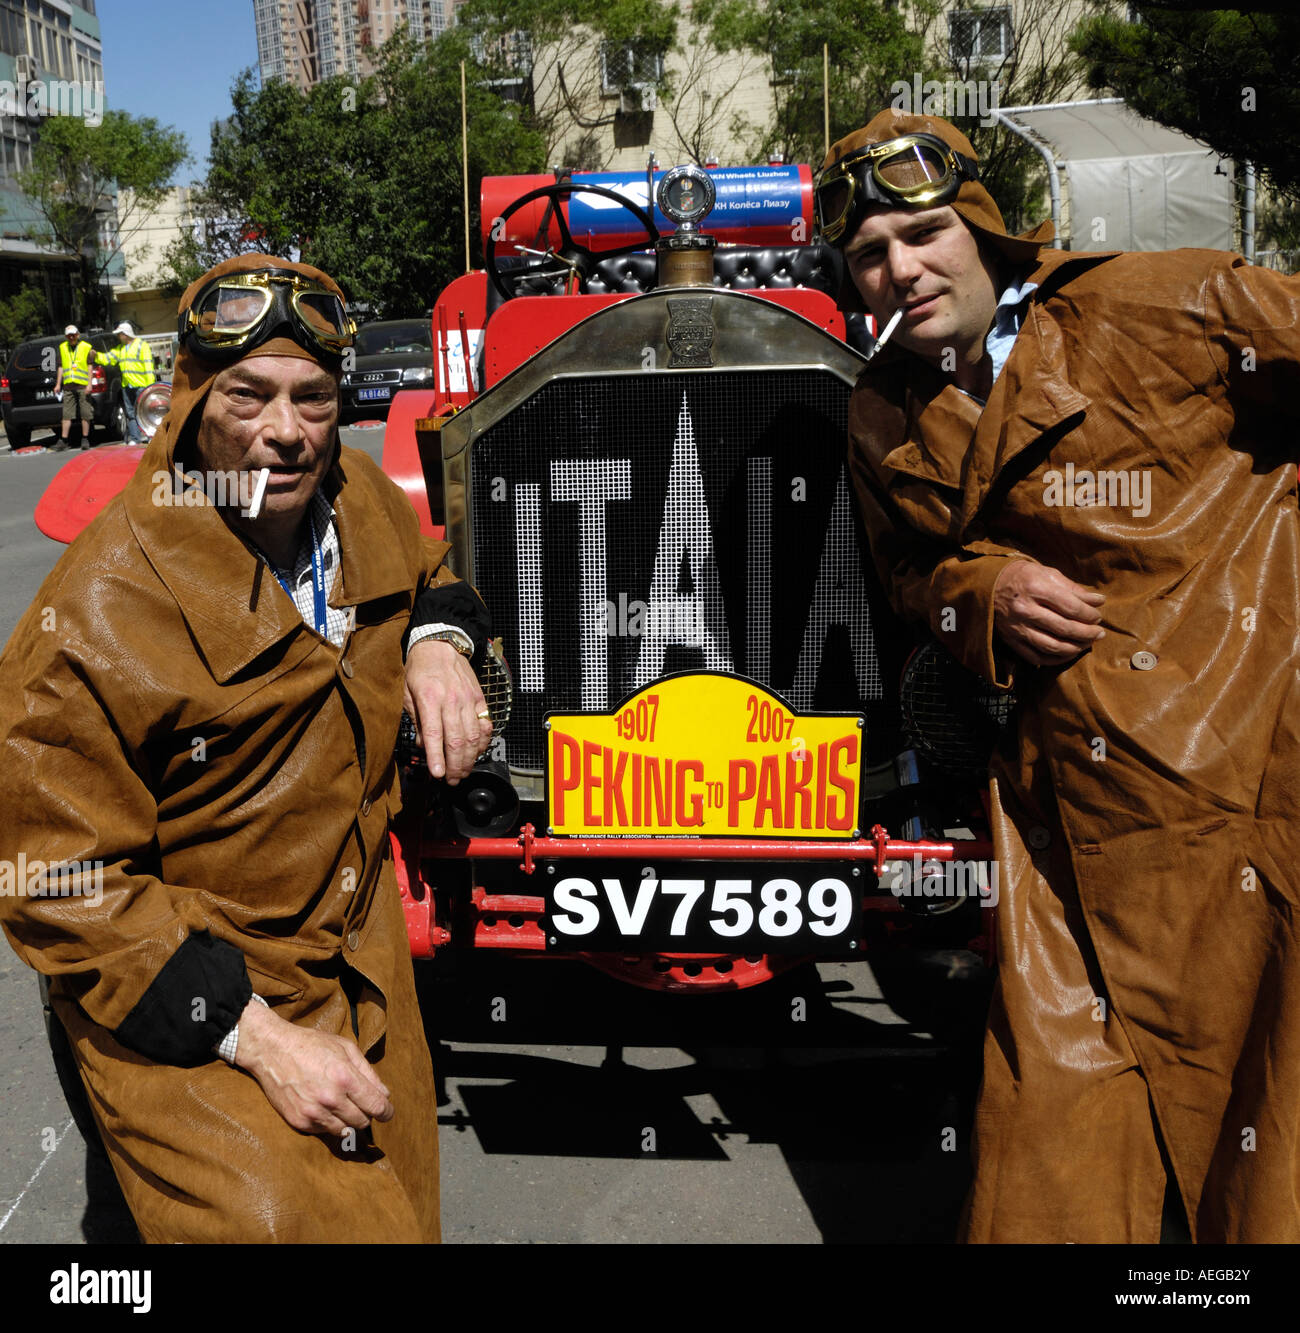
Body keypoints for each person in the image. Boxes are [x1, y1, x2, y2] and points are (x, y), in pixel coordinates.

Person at [818, 108, 1300, 1243]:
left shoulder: (1168, 302)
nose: (901, 268)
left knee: (1265, 1139)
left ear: (982, 226)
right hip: (1063, 820)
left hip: (1249, 781)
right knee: (1054, 1160)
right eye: (871, 254)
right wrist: (974, 592)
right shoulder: (881, 408)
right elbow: (906, 575)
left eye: (924, 232)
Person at [0, 254, 494, 1243]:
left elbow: (429, 568)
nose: (284, 432)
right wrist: (254, 1036)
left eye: (312, 398)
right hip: (180, 978)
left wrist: (440, 644)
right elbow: (49, 878)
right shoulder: (99, 607)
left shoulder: (353, 492)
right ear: (189, 400)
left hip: (358, 957)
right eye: (248, 395)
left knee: (396, 1221)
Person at [95, 320, 156, 443]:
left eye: (119, 334)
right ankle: (135, 438)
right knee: (131, 413)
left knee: (145, 412)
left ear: (125, 334)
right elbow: (108, 358)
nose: (118, 336)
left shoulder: (141, 346)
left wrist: (150, 387)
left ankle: (151, 437)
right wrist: (95, 355)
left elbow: (149, 367)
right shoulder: (120, 349)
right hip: (127, 386)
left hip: (141, 386)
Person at [53, 322, 95, 449]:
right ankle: (64, 440)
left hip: (82, 385)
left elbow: (90, 366)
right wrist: (58, 384)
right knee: (66, 415)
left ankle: (85, 439)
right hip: (68, 386)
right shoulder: (62, 347)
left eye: (73, 335)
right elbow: (60, 367)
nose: (71, 337)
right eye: (68, 335)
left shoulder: (86, 347)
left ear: (77, 335)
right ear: (66, 337)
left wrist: (89, 384)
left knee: (85, 413)